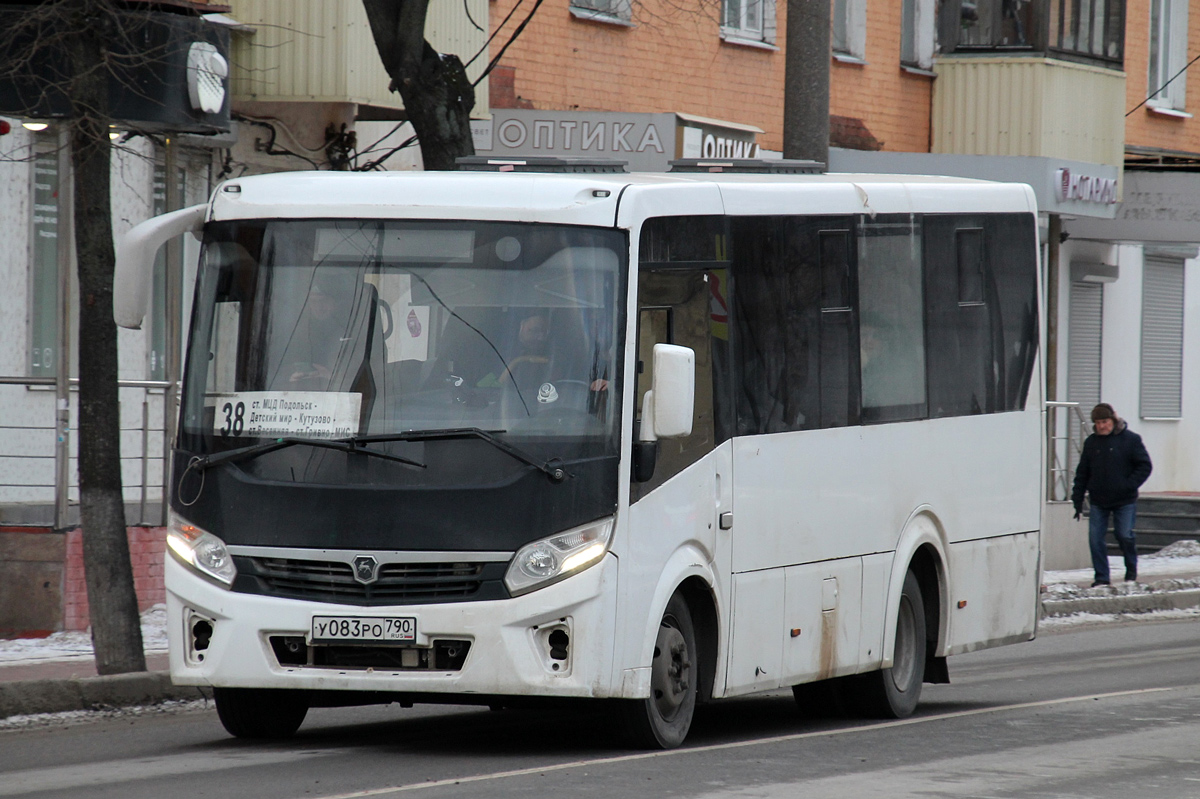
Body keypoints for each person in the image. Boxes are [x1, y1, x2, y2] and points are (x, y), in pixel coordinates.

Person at [1071, 403, 1153, 587]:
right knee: (1095, 539)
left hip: (1124, 500)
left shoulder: (1130, 440)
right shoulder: (1091, 443)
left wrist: (1128, 484)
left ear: (1113, 420)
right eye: (1098, 422)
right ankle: (1101, 578)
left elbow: (1145, 466)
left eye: (1105, 421)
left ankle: (1131, 570)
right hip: (1098, 500)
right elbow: (1082, 472)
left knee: (1124, 535)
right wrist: (1077, 499)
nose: (1102, 426)